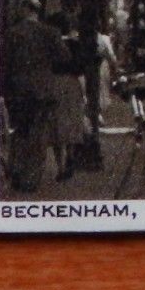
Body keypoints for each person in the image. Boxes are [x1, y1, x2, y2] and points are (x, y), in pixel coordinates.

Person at [0, 0, 66, 191]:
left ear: (25, 9)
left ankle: (17, 173)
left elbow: (4, 63)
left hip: (18, 92)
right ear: (37, 11)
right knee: (39, 136)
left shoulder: (12, 33)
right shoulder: (50, 33)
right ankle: (32, 179)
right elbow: (64, 57)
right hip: (42, 92)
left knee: (20, 132)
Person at [47, 12, 91, 183]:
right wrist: (84, 92)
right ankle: (71, 155)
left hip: (55, 84)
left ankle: (60, 166)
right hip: (72, 84)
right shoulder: (75, 44)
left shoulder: (51, 45)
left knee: (57, 126)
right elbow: (81, 69)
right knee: (72, 122)